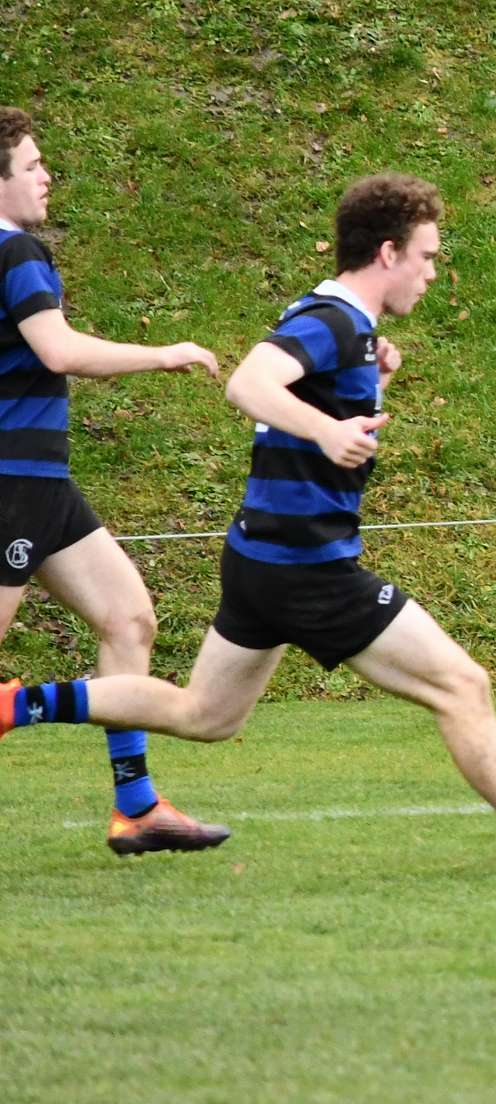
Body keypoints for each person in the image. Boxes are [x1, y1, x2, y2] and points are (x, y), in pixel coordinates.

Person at [0, 172, 496, 877]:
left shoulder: (342, 325)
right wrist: (328, 430)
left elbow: (309, 400)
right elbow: (248, 383)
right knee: (462, 686)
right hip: (308, 566)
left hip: (261, 558)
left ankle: (17, 705)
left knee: (205, 715)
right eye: (427, 256)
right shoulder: (333, 320)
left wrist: (365, 390)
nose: (433, 272)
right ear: (387, 253)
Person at [0, 105, 231, 855]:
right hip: (11, 483)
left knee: (129, 620)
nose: (46, 177)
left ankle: (137, 806)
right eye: (32, 165)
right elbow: (58, 350)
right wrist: (163, 354)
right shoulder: (16, 251)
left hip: (42, 484)